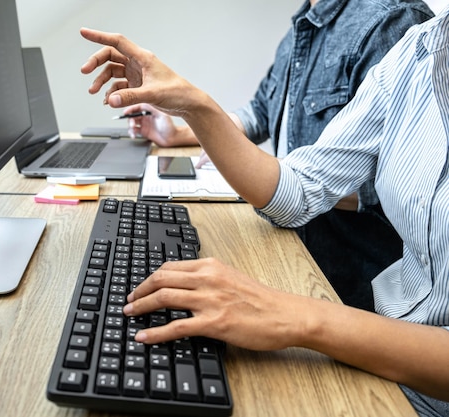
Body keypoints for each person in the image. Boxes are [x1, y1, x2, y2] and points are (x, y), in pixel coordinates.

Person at [79, 5, 449, 415]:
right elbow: (296, 182)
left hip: (357, 311)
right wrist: (191, 108)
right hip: (374, 345)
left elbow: (358, 191)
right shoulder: (415, 51)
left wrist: (300, 315)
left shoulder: (389, 21)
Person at [118, 0, 434, 312]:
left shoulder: (392, 21)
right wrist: (178, 133)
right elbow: (259, 113)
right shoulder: (300, 29)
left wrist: (268, 170)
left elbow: (389, 183)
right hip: (288, 243)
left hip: (349, 279)